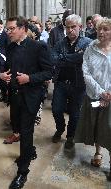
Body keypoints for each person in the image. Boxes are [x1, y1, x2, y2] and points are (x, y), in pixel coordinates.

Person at [0, 16, 53, 189]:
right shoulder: (10, 47)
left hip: (30, 96)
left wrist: (29, 78)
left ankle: (22, 172)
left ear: (23, 28)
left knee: (25, 130)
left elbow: (48, 72)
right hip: (14, 95)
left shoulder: (38, 46)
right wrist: (3, 75)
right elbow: (7, 67)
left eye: (11, 29)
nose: (8, 32)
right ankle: (30, 151)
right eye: (7, 29)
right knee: (18, 128)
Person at [74, 18, 111, 181]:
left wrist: (109, 93)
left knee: (109, 126)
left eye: (106, 29)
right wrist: (101, 92)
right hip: (94, 97)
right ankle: (98, 152)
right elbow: (86, 72)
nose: (101, 32)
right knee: (96, 124)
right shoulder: (90, 48)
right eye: (99, 29)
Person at [51, 14, 92, 149]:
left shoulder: (87, 43)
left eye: (73, 27)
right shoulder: (60, 43)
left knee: (75, 114)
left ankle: (70, 136)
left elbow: (82, 58)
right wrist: (73, 57)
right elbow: (54, 59)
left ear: (80, 27)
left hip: (78, 84)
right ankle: (60, 128)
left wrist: (64, 58)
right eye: (67, 27)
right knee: (57, 109)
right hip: (61, 83)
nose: (70, 30)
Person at [0, 18, 10, 103]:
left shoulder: (5, 34)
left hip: (3, 59)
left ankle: (7, 97)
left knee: (4, 78)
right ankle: (3, 96)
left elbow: (8, 47)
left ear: (1, 25)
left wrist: (6, 58)